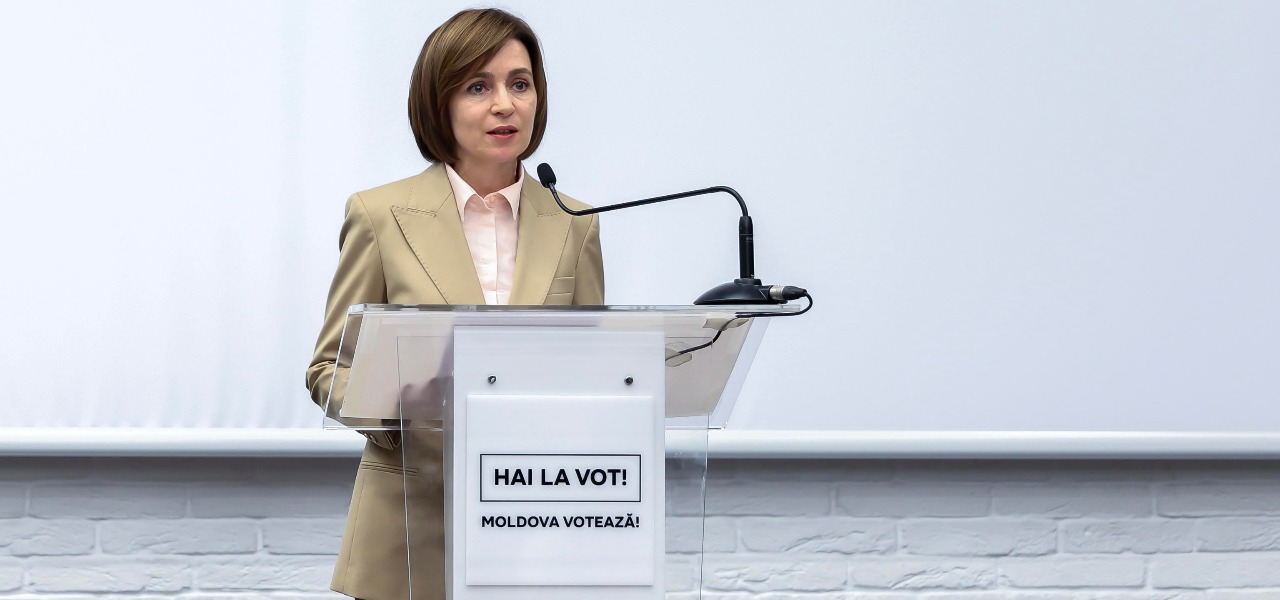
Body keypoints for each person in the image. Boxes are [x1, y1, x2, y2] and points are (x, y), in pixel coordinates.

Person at [304, 9, 604, 600]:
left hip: (537, 522)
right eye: (478, 87)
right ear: (437, 102)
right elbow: (328, 369)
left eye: (520, 84)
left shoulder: (576, 222)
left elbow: (596, 372)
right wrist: (400, 410)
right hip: (410, 528)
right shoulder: (379, 215)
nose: (505, 105)